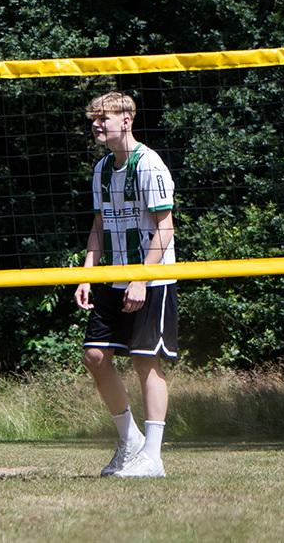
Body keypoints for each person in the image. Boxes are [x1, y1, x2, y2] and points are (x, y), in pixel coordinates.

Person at [73, 91, 178, 479]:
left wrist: (140, 277)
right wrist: (87, 273)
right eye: (94, 118)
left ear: (127, 120)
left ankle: (152, 456)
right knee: (95, 356)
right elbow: (99, 227)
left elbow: (165, 228)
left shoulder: (149, 165)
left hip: (150, 277)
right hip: (111, 278)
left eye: (105, 117)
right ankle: (130, 440)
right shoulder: (102, 169)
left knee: (145, 359)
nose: (97, 124)